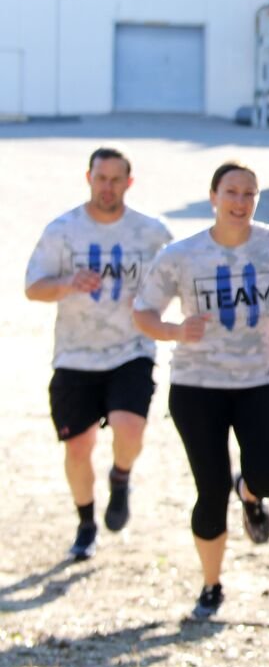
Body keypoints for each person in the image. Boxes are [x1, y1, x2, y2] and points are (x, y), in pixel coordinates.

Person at [133, 162, 269, 619]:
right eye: (232, 192)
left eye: (250, 193)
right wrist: (176, 330)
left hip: (259, 378)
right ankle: (211, 585)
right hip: (196, 386)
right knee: (210, 487)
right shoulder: (182, 255)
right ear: (213, 197)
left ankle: (252, 494)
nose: (240, 202)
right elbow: (144, 313)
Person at [25, 147, 172, 561]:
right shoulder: (63, 231)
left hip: (132, 348)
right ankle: (86, 523)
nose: (108, 187)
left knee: (129, 428)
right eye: (100, 178)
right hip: (75, 354)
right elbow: (32, 288)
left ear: (130, 182)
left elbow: (181, 280)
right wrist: (68, 283)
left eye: (116, 179)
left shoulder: (153, 232)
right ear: (87, 178)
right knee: (78, 448)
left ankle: (121, 478)